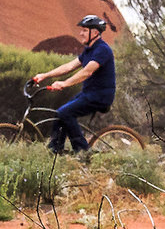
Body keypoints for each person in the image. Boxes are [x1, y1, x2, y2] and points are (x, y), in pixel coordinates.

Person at [32, 14, 118, 155]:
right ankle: (55, 150)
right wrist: (44, 75)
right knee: (60, 113)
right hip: (89, 94)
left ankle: (83, 152)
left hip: (100, 96)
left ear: (95, 32)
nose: (80, 33)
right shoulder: (89, 50)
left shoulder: (103, 49)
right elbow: (68, 66)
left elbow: (87, 72)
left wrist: (64, 84)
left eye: (84, 30)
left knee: (65, 113)